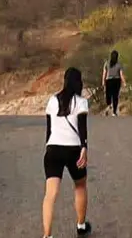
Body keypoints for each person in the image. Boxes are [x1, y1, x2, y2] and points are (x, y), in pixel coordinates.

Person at [42, 68, 92, 237]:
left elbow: (49, 130)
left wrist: (49, 149)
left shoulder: (52, 101)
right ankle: (81, 225)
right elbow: (82, 128)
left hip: (53, 149)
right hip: (73, 150)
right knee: (80, 185)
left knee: (50, 195)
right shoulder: (81, 102)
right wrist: (84, 148)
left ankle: (47, 235)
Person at [101, 51, 126, 117]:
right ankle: (114, 112)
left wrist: (103, 82)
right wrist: (124, 82)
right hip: (116, 81)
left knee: (108, 95)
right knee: (115, 96)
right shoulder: (119, 64)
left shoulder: (107, 63)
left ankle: (109, 105)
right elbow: (121, 74)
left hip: (109, 81)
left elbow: (104, 73)